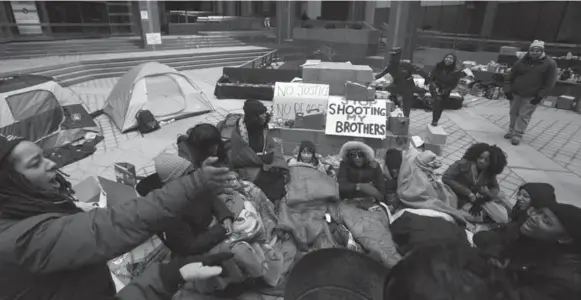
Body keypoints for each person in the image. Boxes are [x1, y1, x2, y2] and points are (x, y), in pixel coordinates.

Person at [0, 134, 235, 299]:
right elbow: (108, 227)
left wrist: (170, 275)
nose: (52, 163)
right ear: (8, 184)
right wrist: (195, 186)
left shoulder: (29, 210)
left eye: (45, 155)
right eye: (35, 163)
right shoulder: (19, 240)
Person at [474, 202, 581, 300]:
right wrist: (495, 257)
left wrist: (498, 273)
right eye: (539, 212)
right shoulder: (539, 238)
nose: (534, 217)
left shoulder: (563, 280)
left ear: (565, 239)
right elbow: (501, 243)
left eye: (546, 221)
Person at [228, 99, 289, 202]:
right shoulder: (239, 132)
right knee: (267, 183)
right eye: (261, 114)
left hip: (264, 164)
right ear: (253, 117)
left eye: (265, 112)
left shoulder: (263, 128)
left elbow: (272, 145)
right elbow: (238, 156)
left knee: (280, 175)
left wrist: (272, 159)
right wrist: (260, 159)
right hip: (247, 168)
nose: (265, 115)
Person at [503, 40, 558, 146]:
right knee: (513, 113)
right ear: (529, 51)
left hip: (532, 94)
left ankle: (517, 134)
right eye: (532, 50)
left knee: (524, 115)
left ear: (542, 51)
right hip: (516, 92)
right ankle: (511, 130)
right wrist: (507, 90)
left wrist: (540, 95)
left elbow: (550, 82)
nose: (534, 52)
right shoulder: (522, 61)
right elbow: (510, 75)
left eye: (538, 50)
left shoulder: (550, 63)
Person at [442, 143, 510, 223]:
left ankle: (484, 214)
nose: (481, 161)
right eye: (480, 157)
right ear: (475, 156)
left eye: (486, 160)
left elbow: (495, 187)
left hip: (480, 199)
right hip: (459, 198)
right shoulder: (462, 164)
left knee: (503, 217)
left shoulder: (489, 172)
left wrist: (487, 194)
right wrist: (468, 192)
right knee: (477, 216)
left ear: (491, 164)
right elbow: (446, 178)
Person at [374, 47, 430, 117]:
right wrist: (370, 79)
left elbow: (421, 72)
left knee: (406, 108)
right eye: (392, 55)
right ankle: (390, 112)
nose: (393, 57)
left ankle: (404, 121)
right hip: (396, 86)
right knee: (382, 93)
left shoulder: (406, 64)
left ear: (399, 56)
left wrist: (427, 82)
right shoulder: (390, 66)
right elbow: (380, 74)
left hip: (408, 87)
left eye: (395, 55)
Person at [337, 141, 385, 207]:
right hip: (349, 200)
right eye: (353, 155)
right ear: (349, 156)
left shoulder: (374, 166)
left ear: (366, 156)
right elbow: (341, 186)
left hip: (370, 201)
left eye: (360, 155)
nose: (357, 158)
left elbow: (381, 187)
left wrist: (377, 198)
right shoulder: (345, 164)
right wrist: (360, 186)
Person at [429, 53, 465, 126]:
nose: (448, 59)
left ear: (454, 61)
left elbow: (454, 84)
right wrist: (434, 86)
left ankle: (436, 119)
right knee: (438, 100)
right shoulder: (438, 66)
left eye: (451, 58)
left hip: (446, 89)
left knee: (441, 104)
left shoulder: (456, 71)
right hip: (435, 87)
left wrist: (446, 90)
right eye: (447, 57)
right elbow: (431, 78)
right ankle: (434, 120)